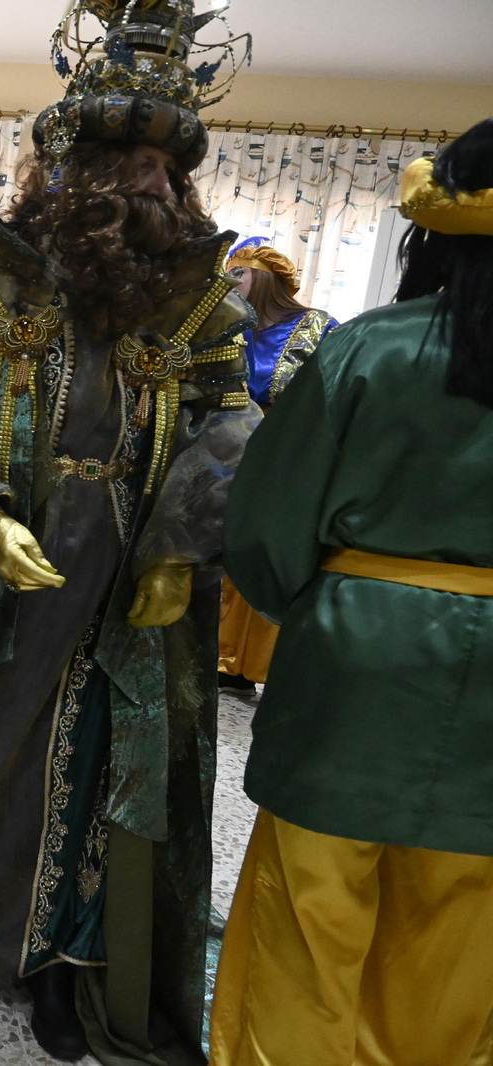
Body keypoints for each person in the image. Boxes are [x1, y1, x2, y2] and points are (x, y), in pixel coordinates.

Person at [0, 2, 259, 1060]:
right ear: (79, 163)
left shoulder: (202, 300)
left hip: (132, 559)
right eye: (131, 158)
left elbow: (228, 426)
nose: (152, 182)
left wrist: (178, 549)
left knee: (102, 748)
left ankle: (68, 959)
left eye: (169, 165)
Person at [210, 120, 493, 1066]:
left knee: (313, 916)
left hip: (357, 662)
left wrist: (317, 605)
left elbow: (266, 532)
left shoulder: (370, 349)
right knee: (464, 938)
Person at [216, 237, 340, 691]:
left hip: (289, 450)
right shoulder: (228, 325)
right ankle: (222, 657)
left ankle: (260, 663)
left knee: (271, 551)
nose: (229, 283)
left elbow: (333, 392)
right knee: (228, 547)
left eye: (238, 274)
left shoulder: (319, 326)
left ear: (263, 278)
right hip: (230, 447)